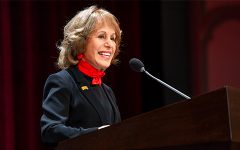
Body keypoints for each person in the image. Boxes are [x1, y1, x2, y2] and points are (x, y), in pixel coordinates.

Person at [40, 5, 122, 144]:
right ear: (81, 42)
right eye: (102, 36)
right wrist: (97, 134)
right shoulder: (62, 81)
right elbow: (50, 130)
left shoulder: (107, 91)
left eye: (113, 38)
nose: (110, 44)